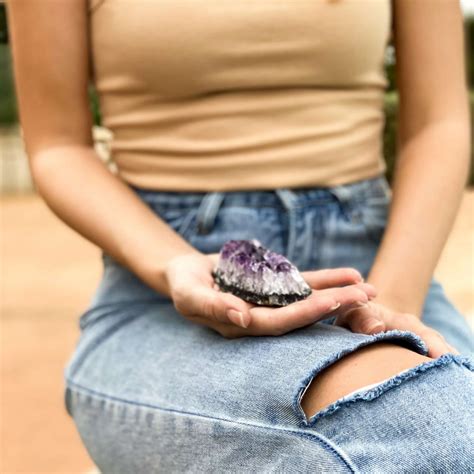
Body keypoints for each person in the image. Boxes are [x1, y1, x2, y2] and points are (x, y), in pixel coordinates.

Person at [7, 0, 473, 471]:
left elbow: (439, 123)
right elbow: (58, 146)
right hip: (165, 300)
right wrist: (175, 265)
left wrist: (387, 308)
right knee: (422, 431)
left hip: (383, 273)